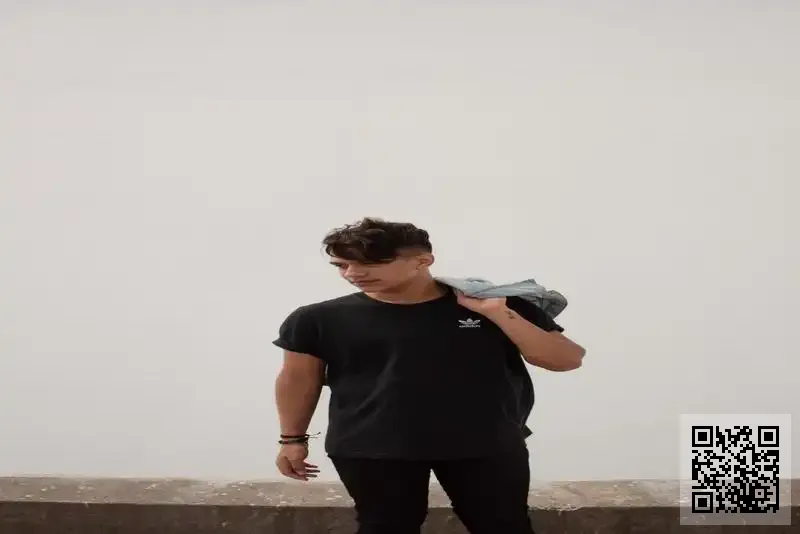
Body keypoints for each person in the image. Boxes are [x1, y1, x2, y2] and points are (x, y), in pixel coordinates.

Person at [273, 217, 585, 534]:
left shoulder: (496, 304)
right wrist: (292, 440)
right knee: (386, 528)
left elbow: (567, 360)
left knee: (504, 526)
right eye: (342, 265)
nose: (352, 273)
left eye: (370, 263)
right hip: (371, 446)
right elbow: (298, 380)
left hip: (485, 441)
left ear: (423, 261)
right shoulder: (316, 319)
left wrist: (498, 313)